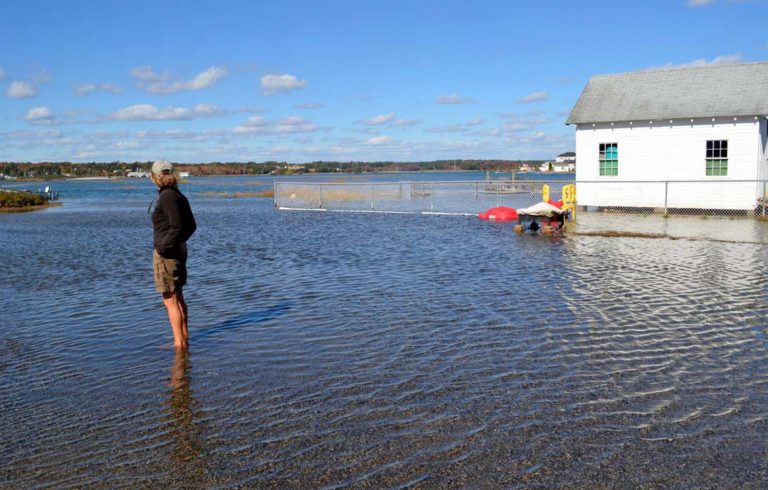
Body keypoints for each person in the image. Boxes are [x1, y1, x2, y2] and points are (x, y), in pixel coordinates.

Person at [151, 160, 196, 349]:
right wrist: (178, 242)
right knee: (177, 296)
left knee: (170, 299)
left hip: (168, 255)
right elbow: (191, 226)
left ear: (155, 177)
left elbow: (177, 226)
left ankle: (179, 344)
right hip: (178, 250)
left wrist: (163, 247)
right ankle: (183, 338)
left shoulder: (168, 197)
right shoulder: (178, 195)